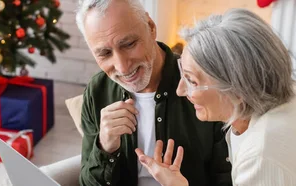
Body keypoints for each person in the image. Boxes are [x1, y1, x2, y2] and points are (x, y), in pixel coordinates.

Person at [135, 9, 296, 186]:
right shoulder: (289, 96)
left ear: (237, 88)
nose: (181, 90)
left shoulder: (265, 150)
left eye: (192, 81)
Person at [75, 0, 232, 185]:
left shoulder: (204, 85)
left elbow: (226, 178)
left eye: (129, 44)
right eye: (105, 53)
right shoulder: (96, 91)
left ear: (151, 27)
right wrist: (105, 147)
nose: (122, 67)